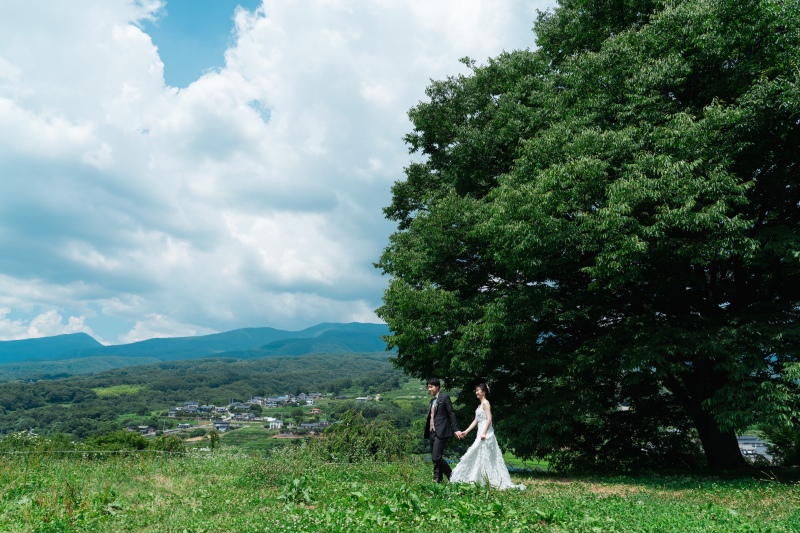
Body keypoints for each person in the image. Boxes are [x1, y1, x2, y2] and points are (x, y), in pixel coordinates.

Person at [451, 383, 525, 490]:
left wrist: (484, 433)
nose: (476, 392)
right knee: (479, 453)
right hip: (480, 431)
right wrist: (466, 432)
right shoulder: (480, 405)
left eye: (478, 390)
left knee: (485, 454)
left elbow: (489, 418)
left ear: (483, 392)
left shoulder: (486, 403)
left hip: (486, 433)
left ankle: (487, 479)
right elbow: (476, 420)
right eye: (476, 390)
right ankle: (478, 478)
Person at [424, 378, 462, 483]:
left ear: (437, 387)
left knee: (436, 457)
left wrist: (456, 430)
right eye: (428, 387)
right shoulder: (431, 401)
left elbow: (451, 414)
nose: (429, 389)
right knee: (434, 458)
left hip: (441, 431)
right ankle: (437, 478)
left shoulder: (444, 398)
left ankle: (452, 476)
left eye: (431, 387)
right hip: (432, 432)